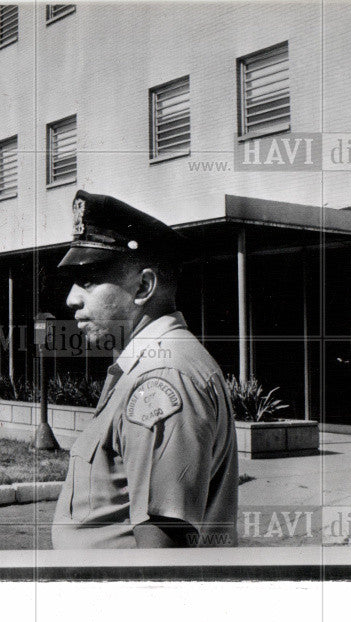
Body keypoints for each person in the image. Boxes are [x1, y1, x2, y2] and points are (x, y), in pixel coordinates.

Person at [51, 190, 239, 549]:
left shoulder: (161, 377)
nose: (71, 298)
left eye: (89, 280)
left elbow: (162, 561)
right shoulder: (146, 365)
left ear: (143, 286)